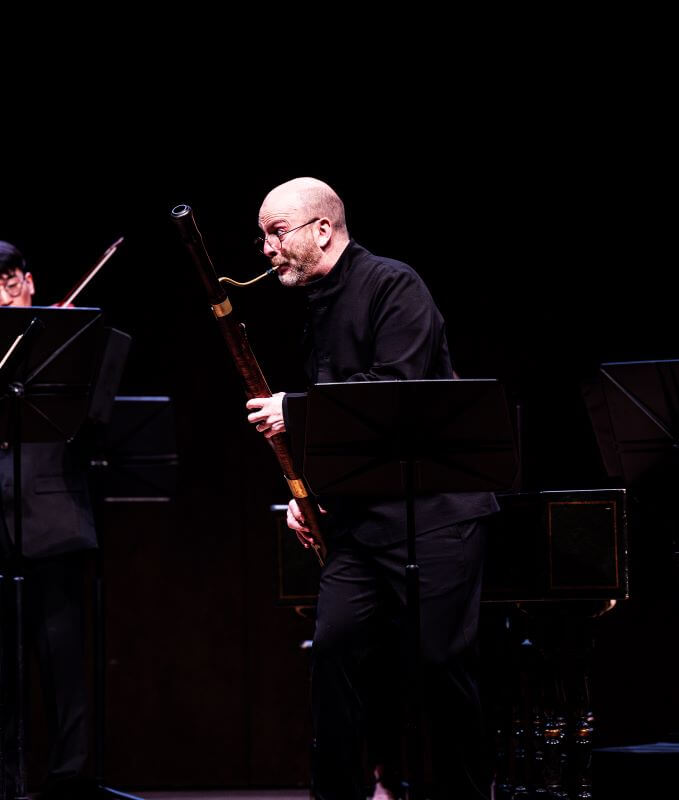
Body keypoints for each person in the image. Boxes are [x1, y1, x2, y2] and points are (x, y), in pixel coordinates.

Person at [245, 178, 497, 800]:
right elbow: (346, 441)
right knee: (333, 651)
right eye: (264, 238)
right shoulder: (318, 307)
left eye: (278, 233)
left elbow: (394, 395)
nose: (269, 249)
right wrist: (310, 500)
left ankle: (467, 793)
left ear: (322, 229)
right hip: (362, 520)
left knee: (440, 664)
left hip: (435, 512)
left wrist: (292, 411)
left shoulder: (393, 284)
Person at [0, 241, 96, 799]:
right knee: (1, 669)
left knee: (66, 665)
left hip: (55, 520)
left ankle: (71, 782)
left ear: (30, 282)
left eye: (11, 285)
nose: (5, 298)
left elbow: (97, 415)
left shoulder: (70, 344)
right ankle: (4, 781)